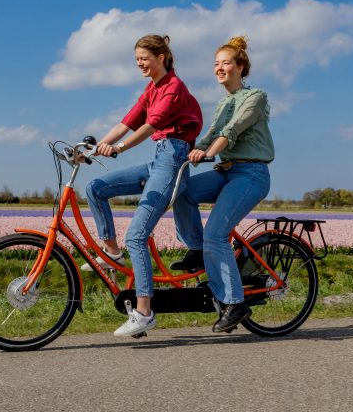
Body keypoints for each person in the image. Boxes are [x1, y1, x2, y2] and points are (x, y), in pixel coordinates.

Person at [85, 34, 203, 337]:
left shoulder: (174, 88)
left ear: (161, 57)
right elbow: (130, 120)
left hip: (173, 159)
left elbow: (150, 125)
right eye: (136, 59)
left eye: (144, 58)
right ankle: (111, 251)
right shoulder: (152, 88)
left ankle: (144, 312)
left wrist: (119, 149)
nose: (139, 64)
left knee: (137, 235)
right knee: (95, 187)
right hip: (158, 158)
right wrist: (98, 145)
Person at [172, 35, 274, 333]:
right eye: (216, 64)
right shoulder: (222, 103)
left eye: (226, 63)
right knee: (181, 192)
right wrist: (183, 151)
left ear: (241, 67)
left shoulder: (255, 97)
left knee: (215, 234)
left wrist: (208, 153)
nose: (219, 68)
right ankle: (196, 249)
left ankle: (234, 302)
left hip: (251, 174)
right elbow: (210, 134)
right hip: (225, 170)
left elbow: (233, 129)